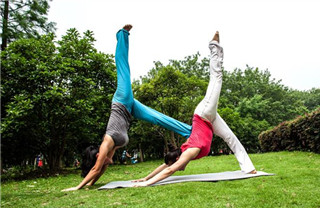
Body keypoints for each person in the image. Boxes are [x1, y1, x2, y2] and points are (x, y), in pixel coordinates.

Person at [62, 25, 192, 191]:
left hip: (121, 101)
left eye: (102, 161)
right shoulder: (110, 151)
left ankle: (122, 35)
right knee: (156, 117)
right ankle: (190, 130)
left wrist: (77, 187)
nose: (108, 163)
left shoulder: (106, 144)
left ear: (98, 156)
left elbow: (96, 168)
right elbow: (99, 170)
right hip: (130, 110)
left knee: (123, 71)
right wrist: (90, 184)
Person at [133, 31, 256, 187]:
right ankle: (248, 168)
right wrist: (145, 178)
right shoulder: (179, 152)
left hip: (203, 113)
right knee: (230, 137)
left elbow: (170, 170)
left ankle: (214, 48)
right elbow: (166, 165)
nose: (176, 168)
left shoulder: (189, 152)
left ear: (177, 159)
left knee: (217, 79)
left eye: (174, 164)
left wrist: (147, 184)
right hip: (210, 121)